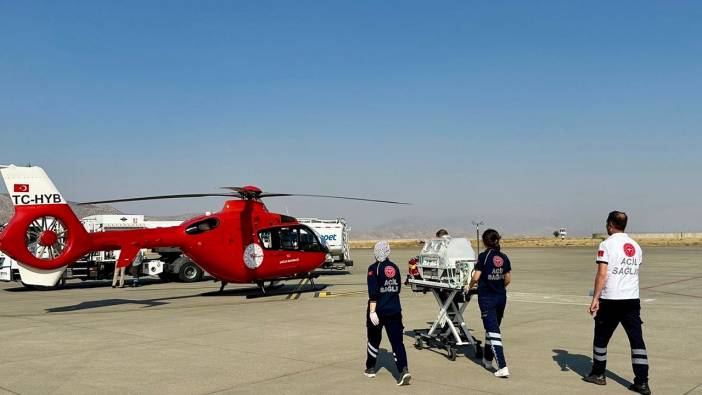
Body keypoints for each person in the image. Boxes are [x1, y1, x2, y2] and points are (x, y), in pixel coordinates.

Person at [584, 211, 651, 395]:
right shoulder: (636, 246)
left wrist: (595, 298)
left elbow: (602, 274)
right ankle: (642, 382)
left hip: (611, 300)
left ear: (610, 224)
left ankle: (598, 374)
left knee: (601, 338)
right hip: (631, 300)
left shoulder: (606, 244)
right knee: (637, 340)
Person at [365, 241, 411, 386]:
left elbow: (373, 293)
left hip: (378, 311)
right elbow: (397, 289)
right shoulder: (395, 268)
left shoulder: (374, 268)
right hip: (395, 309)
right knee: (397, 342)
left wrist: (372, 311)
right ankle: (403, 370)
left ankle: (371, 367)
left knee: (373, 339)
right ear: (388, 252)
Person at [469, 229, 512, 378]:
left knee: (493, 331)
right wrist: (499, 287)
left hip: (487, 298)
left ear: (485, 241)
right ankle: (487, 359)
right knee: (492, 328)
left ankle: (502, 366)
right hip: (501, 297)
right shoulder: (503, 257)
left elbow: (476, 277)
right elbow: (507, 279)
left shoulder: (484, 256)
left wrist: (469, 286)